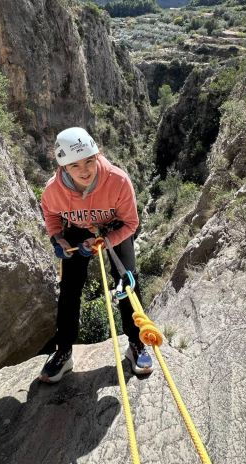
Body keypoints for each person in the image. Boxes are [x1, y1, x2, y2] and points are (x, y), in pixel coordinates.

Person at [39, 126, 153, 383]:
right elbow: (52, 216)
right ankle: (64, 351)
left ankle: (136, 343)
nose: (85, 170)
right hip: (77, 232)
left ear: (97, 156)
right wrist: (57, 238)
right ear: (63, 167)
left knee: (127, 283)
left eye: (89, 161)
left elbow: (131, 224)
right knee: (69, 288)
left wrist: (105, 240)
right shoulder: (53, 191)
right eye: (75, 165)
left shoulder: (117, 181)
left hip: (114, 228)